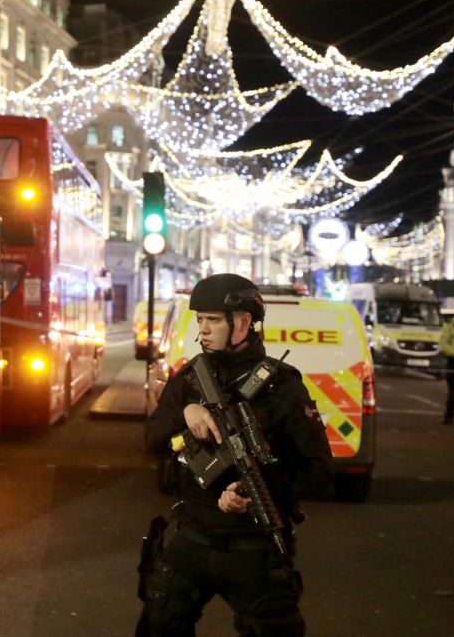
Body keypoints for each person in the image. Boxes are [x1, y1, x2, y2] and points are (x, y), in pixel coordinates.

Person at [137, 273, 333, 637]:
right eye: (200, 320)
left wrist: (251, 488)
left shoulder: (283, 387)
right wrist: (186, 414)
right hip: (192, 539)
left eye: (213, 320)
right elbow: (150, 438)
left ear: (243, 321)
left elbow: (318, 472)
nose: (204, 329)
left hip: (253, 550)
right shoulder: (191, 376)